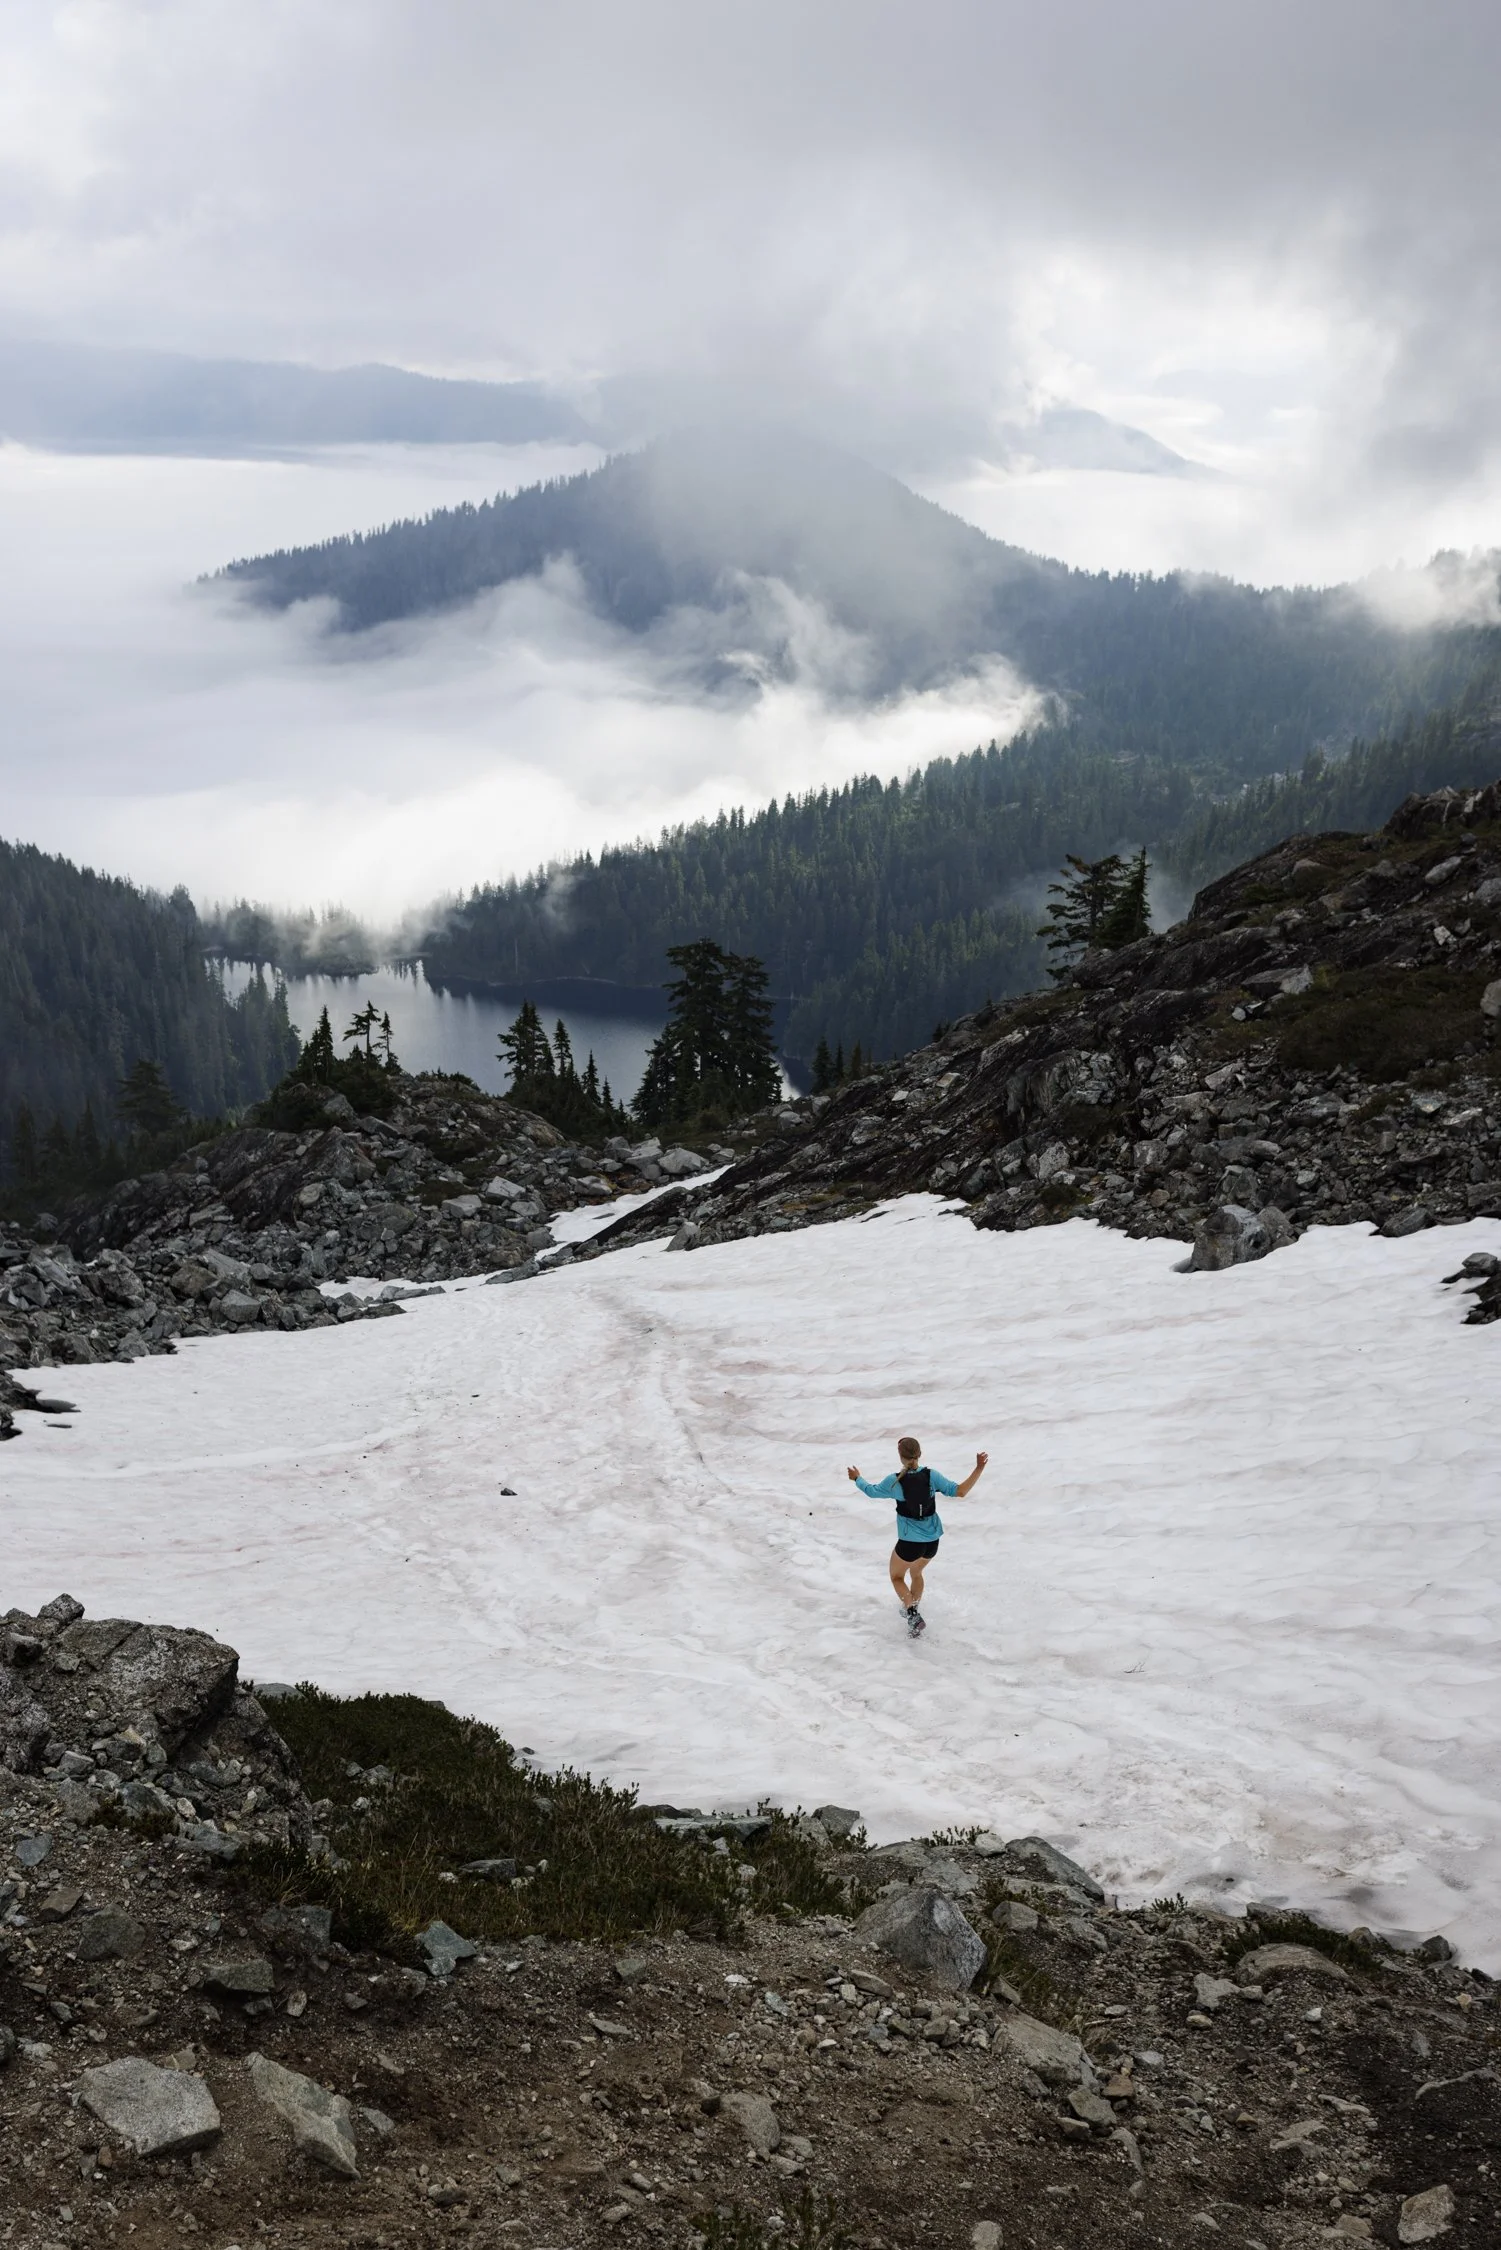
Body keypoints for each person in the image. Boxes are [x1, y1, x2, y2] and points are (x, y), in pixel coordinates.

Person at [846, 1435, 988, 1638]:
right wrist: (979, 1468)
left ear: (900, 1456)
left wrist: (857, 1478)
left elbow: (871, 1491)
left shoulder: (894, 1481)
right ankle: (914, 1617)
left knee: (896, 1577)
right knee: (916, 1573)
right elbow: (961, 1491)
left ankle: (912, 1613)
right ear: (919, 1454)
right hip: (932, 1542)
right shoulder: (932, 1476)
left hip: (909, 1543)